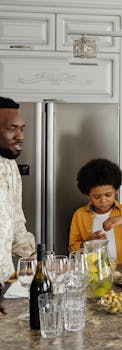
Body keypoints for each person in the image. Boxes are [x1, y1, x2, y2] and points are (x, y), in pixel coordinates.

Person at [68, 158, 122, 265]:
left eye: (108, 195)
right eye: (96, 197)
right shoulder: (80, 215)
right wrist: (88, 243)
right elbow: (72, 250)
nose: (103, 201)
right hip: (92, 272)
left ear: (116, 190)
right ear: (88, 194)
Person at [0, 97, 36, 316]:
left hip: (4, 283)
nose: (20, 136)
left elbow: (15, 225)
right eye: (11, 129)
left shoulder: (11, 168)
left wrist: (39, 261)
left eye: (21, 129)